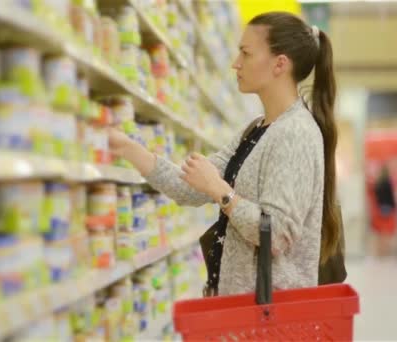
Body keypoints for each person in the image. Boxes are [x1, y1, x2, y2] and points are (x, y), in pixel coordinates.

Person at [108, 12, 341, 296]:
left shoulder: (295, 134)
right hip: (240, 309)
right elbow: (188, 188)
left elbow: (276, 234)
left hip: (272, 318)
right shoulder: (255, 129)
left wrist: (221, 192)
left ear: (280, 64)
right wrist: (126, 148)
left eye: (246, 53)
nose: (235, 63)